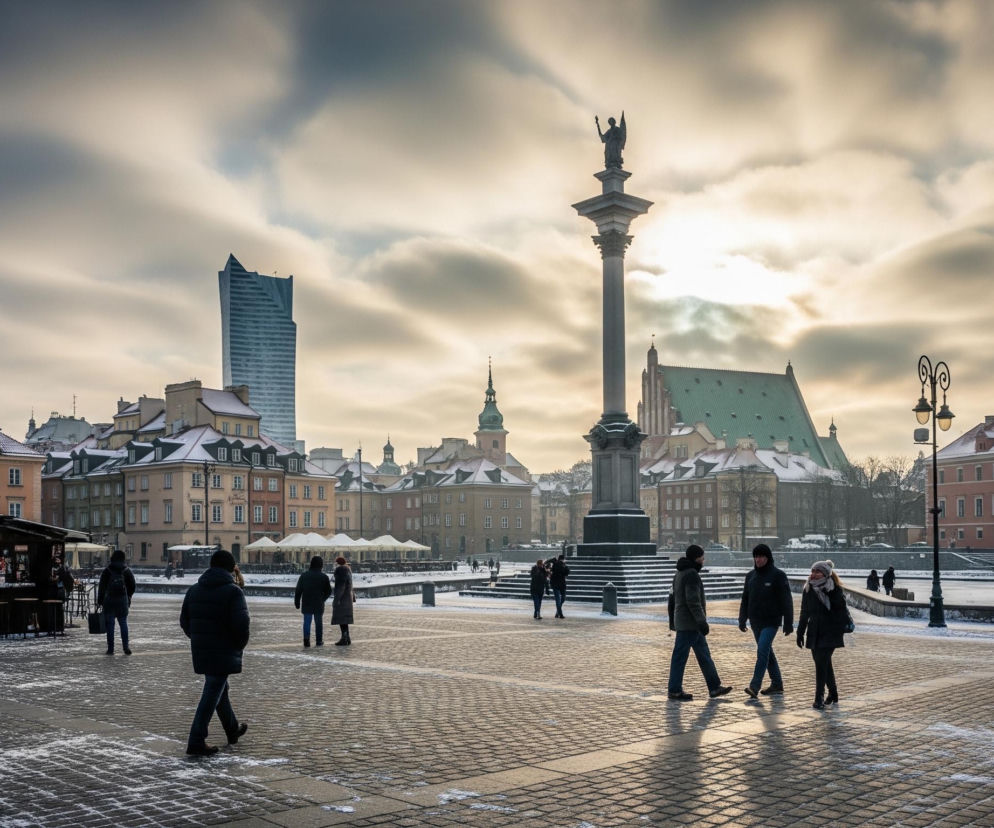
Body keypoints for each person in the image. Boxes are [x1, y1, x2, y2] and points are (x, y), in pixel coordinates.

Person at [180, 549, 250, 756]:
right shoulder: (233, 591)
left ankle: (232, 729)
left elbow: (184, 621)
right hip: (224, 650)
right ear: (231, 568)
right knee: (211, 693)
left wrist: (199, 638)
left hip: (203, 649)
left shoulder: (194, 590)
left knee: (220, 689)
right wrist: (237, 645)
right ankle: (196, 740)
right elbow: (242, 625)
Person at [667, 545, 732, 701]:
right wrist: (702, 622)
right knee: (680, 657)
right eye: (702, 558)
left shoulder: (679, 573)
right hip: (690, 624)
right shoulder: (691, 575)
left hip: (685, 623)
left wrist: (672, 621)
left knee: (704, 655)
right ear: (696, 558)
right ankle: (675, 690)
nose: (704, 560)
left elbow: (672, 599)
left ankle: (714, 687)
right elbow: (693, 601)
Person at [738, 543, 793, 698]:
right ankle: (777, 684)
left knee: (762, 651)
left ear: (768, 558)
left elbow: (786, 600)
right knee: (767, 652)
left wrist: (788, 623)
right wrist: (742, 619)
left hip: (771, 621)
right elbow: (745, 599)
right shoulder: (750, 576)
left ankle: (754, 686)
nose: (758, 559)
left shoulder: (778, 575)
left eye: (761, 556)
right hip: (755, 622)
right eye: (756, 556)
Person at [797, 560, 848, 709]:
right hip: (814, 631)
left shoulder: (834, 589)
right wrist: (800, 632)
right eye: (812, 571)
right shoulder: (808, 589)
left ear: (825, 573)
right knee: (824, 663)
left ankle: (818, 697)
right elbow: (804, 612)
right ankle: (833, 693)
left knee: (821, 663)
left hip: (830, 631)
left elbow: (841, 610)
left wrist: (836, 624)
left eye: (817, 572)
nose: (813, 574)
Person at [97, 549, 136, 656]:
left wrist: (100, 600)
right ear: (123, 559)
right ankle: (126, 647)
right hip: (122, 601)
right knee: (123, 623)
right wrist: (128, 596)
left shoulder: (107, 571)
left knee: (110, 625)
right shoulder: (126, 571)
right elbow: (132, 586)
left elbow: (102, 587)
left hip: (109, 601)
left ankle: (110, 649)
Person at [295, 556, 332, 647]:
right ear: (321, 565)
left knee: (307, 621)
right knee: (318, 623)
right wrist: (323, 599)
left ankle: (306, 640)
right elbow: (329, 591)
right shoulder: (324, 577)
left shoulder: (304, 575)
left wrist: (297, 602)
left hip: (307, 602)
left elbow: (298, 590)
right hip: (318, 603)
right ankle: (319, 641)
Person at [331, 556, 354, 646]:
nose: (334, 565)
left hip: (342, 599)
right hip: (347, 598)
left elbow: (341, 586)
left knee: (342, 619)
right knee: (344, 620)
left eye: (335, 563)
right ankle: (347, 637)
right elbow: (350, 585)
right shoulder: (347, 570)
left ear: (338, 563)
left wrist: (337, 600)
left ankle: (344, 638)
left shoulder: (341, 570)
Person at [549, 554, 570, 619]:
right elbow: (565, 572)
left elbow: (566, 573)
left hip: (560, 584)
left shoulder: (561, 565)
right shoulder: (557, 564)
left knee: (560, 599)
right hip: (557, 584)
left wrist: (565, 567)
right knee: (560, 599)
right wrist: (564, 567)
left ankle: (558, 612)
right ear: (562, 559)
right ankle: (560, 614)